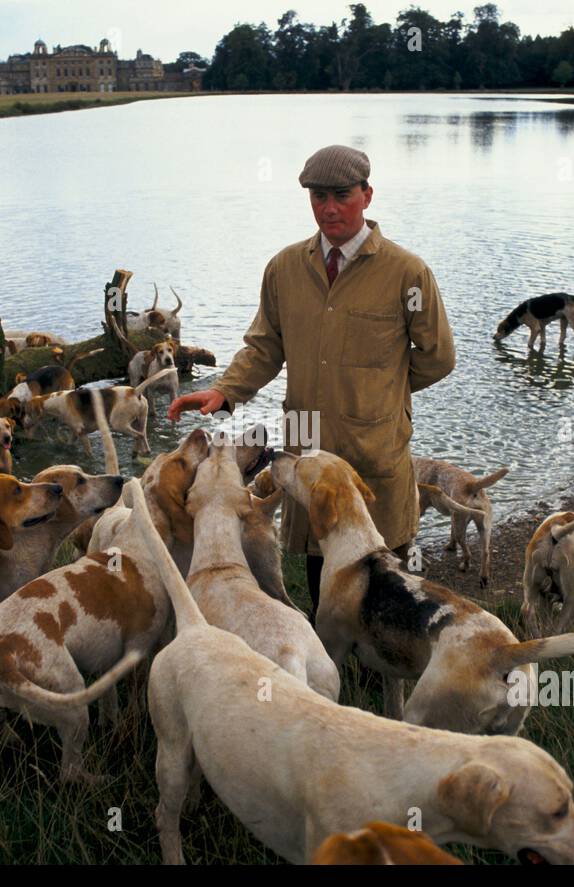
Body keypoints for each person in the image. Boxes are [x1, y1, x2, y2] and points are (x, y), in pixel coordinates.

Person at [168, 144, 455, 618]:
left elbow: (438, 357)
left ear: (367, 194)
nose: (329, 207)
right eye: (318, 195)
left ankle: (383, 681)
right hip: (306, 440)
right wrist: (225, 390)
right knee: (324, 581)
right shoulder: (285, 269)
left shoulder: (407, 273)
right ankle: (331, 682)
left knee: (385, 583)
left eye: (341, 194)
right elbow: (265, 346)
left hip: (376, 449)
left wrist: (379, 394)